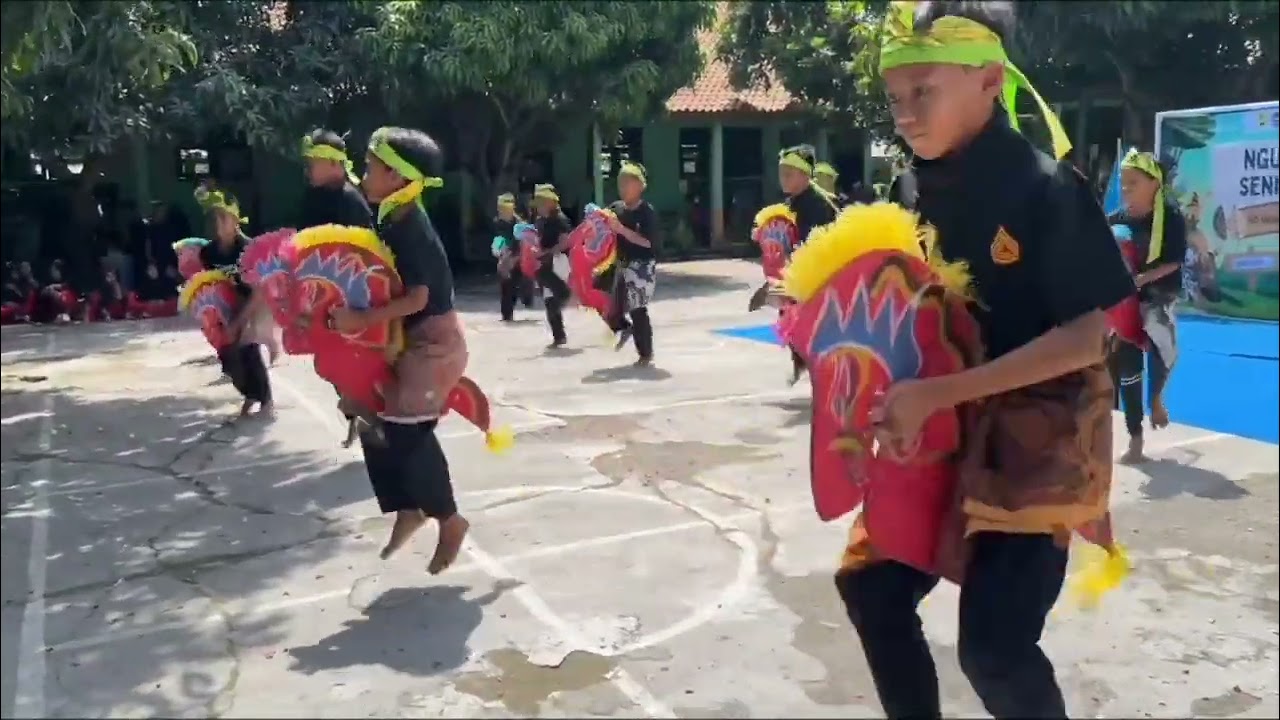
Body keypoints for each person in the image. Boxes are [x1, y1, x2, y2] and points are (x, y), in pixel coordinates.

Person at [837, 2, 1134, 718]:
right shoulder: (906, 190)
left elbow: (1087, 337)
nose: (905, 114)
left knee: (994, 650)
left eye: (924, 92)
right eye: (895, 97)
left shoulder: (1046, 188)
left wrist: (941, 394)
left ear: (988, 80)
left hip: (1042, 436)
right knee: (872, 589)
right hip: (943, 427)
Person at [327, 126, 470, 574]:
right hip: (406, 342)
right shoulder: (391, 216)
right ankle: (408, 508)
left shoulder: (410, 224)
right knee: (371, 421)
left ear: (395, 176)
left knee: (406, 432)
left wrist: (359, 321)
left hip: (433, 345)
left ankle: (450, 519)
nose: (362, 175)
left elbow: (419, 298)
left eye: (369, 168)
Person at [1108, 149, 1186, 464]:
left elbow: (1174, 261)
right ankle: (1135, 437)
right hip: (1128, 298)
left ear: (1154, 184)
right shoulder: (1118, 219)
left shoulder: (1170, 215)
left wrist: (1140, 280)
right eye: (1123, 184)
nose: (1125, 190)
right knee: (1125, 364)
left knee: (1160, 350)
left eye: (1133, 183)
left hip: (1159, 294)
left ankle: (1155, 399)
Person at [197, 186, 275, 418]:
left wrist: (240, 322)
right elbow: (211, 286)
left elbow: (259, 293)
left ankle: (266, 399)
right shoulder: (208, 253)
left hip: (255, 302)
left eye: (224, 217)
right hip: (228, 303)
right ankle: (250, 393)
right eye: (215, 218)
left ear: (236, 221)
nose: (218, 223)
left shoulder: (248, 250)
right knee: (227, 356)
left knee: (248, 346)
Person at [778, 144, 839, 384]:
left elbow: (817, 245)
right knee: (791, 321)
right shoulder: (791, 204)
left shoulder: (819, 204)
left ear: (805, 175)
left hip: (820, 276)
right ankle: (802, 364)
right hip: (798, 274)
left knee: (814, 327)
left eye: (788, 173)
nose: (783, 178)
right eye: (781, 172)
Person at [605, 162, 659, 366]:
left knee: (637, 308)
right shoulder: (615, 208)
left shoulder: (647, 212)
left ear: (640, 186)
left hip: (642, 266)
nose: (623, 186)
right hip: (620, 264)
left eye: (628, 182)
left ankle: (645, 353)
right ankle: (625, 328)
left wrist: (621, 229)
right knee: (609, 308)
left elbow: (648, 242)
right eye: (621, 182)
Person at [299, 128, 374, 230]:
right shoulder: (312, 196)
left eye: (310, 165)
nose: (306, 171)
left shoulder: (350, 202)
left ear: (333, 162)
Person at [531, 183, 574, 348]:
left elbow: (565, 242)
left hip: (560, 260)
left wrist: (547, 253)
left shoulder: (560, 219)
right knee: (549, 301)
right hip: (547, 260)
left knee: (543, 275)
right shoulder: (540, 221)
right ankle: (559, 336)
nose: (539, 207)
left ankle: (567, 295)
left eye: (542, 202)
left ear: (550, 202)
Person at [493, 192, 534, 321]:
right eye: (500, 208)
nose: (502, 211)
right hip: (505, 256)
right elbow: (496, 241)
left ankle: (527, 297)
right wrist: (501, 256)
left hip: (520, 257)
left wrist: (514, 259)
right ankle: (506, 314)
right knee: (506, 286)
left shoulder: (520, 225)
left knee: (523, 284)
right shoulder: (497, 223)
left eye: (504, 209)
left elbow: (525, 245)